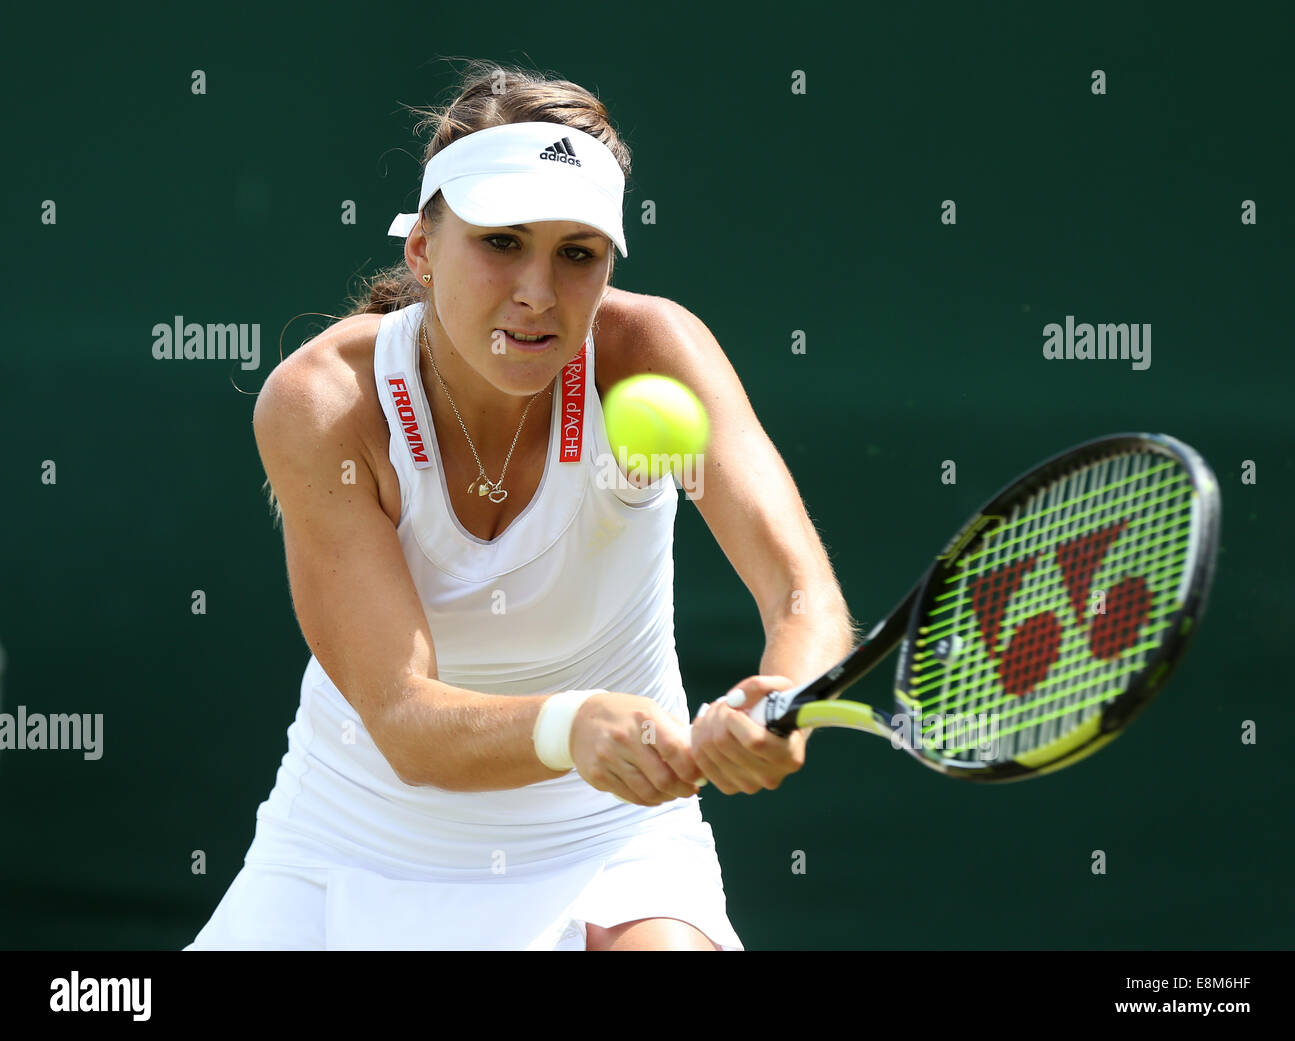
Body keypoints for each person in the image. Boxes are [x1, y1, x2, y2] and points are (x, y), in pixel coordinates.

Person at [184, 62, 859, 952]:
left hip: (609, 833)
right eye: (502, 241)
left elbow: (801, 593)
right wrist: (571, 723)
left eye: (577, 253)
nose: (539, 292)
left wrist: (784, 698)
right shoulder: (322, 402)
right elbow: (405, 720)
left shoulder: (652, 351)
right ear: (422, 249)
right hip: (355, 839)